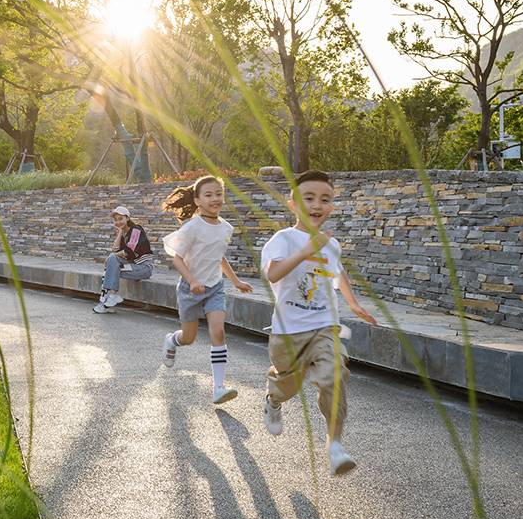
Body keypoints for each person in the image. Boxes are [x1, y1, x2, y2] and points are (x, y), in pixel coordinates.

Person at [260, 170, 377, 476]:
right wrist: (304, 251)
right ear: (293, 203)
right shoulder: (283, 239)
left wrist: (353, 303)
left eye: (325, 199)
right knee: (288, 386)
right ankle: (273, 399)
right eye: (308, 198)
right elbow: (273, 275)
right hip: (288, 331)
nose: (316, 204)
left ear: (331, 206)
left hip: (326, 326)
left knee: (334, 378)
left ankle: (335, 446)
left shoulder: (331, 244)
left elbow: (339, 273)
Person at [159, 175, 254, 404]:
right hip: (189, 290)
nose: (215, 199)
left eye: (218, 194)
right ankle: (172, 341)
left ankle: (218, 387)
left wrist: (236, 281)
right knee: (188, 338)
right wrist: (192, 281)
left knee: (218, 333)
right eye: (208, 195)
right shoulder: (192, 227)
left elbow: (219, 257)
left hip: (215, 287)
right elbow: (178, 259)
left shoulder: (226, 228)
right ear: (197, 200)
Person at [94, 205, 154, 314]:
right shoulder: (124, 233)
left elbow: (129, 251)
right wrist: (120, 232)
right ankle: (109, 300)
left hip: (144, 268)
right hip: (133, 266)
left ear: (127, 218)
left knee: (111, 266)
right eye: (115, 220)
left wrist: (112, 257)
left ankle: (107, 300)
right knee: (111, 266)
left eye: (121, 219)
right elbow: (115, 249)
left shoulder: (136, 229)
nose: (118, 222)